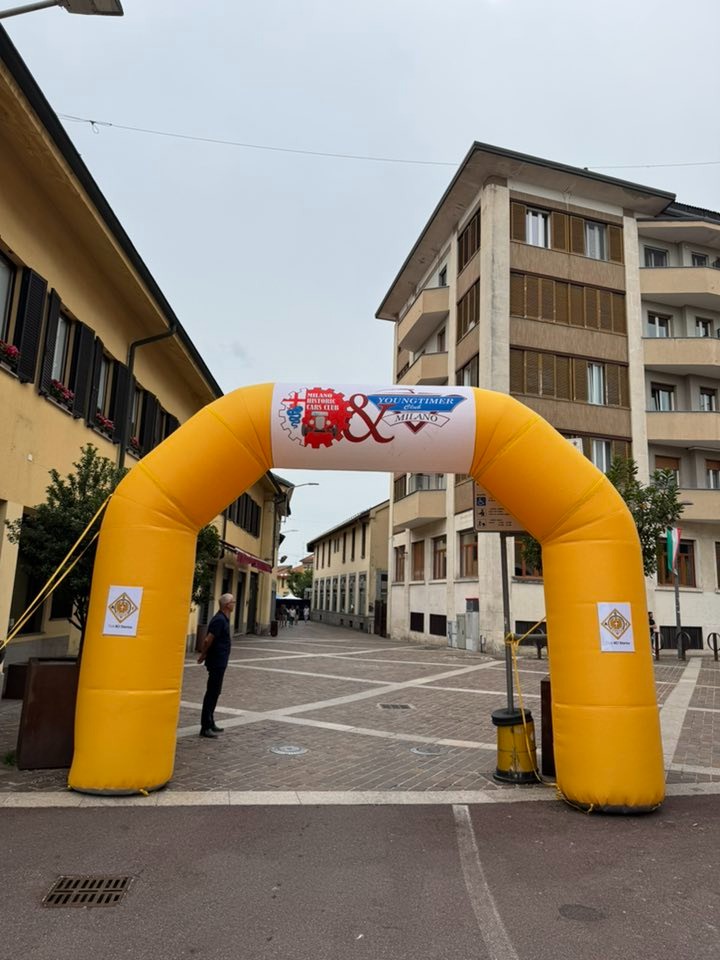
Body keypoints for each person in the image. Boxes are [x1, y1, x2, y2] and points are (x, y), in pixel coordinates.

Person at [197, 593, 235, 738]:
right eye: (233, 602)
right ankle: (205, 726)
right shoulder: (219, 620)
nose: (234, 604)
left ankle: (210, 721)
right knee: (212, 693)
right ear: (227, 605)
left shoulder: (223, 618)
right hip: (216, 661)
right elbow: (208, 640)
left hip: (220, 661)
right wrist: (203, 655)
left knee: (215, 692)